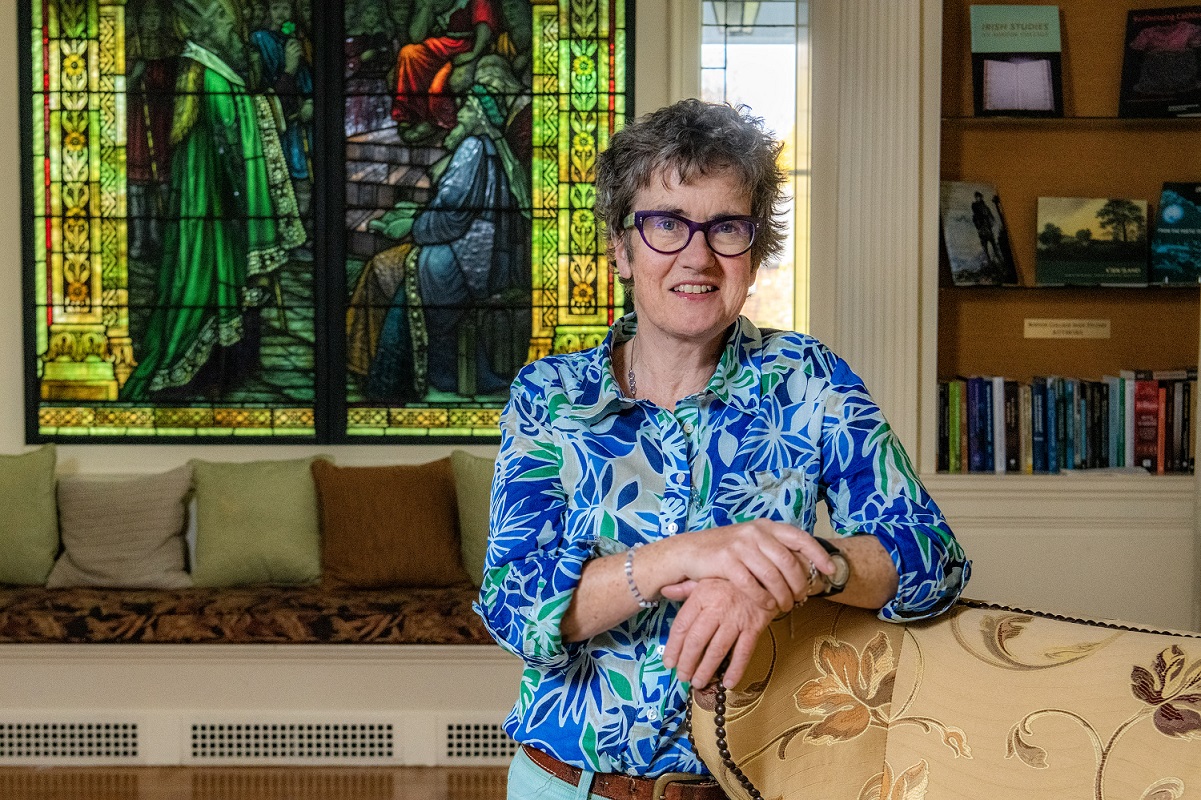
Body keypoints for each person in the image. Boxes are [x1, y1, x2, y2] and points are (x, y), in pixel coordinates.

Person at [474, 99, 971, 798]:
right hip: (566, 786)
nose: (697, 256)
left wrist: (792, 572)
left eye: (725, 227)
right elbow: (514, 609)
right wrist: (678, 557)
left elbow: (931, 558)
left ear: (753, 249)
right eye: (666, 224)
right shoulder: (550, 396)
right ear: (621, 248)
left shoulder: (807, 379)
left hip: (752, 784)